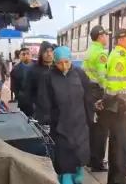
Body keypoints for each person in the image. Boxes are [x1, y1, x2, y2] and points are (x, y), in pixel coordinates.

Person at [37, 46, 93, 184]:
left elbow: (88, 96)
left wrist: (91, 116)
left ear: (71, 60)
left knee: (80, 158)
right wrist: (46, 121)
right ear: (55, 62)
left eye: (66, 62)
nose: (63, 66)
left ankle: (78, 181)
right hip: (60, 126)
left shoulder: (79, 74)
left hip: (80, 124)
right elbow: (44, 101)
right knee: (64, 163)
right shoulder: (48, 77)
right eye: (60, 63)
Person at [96, 29, 126, 184]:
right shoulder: (119, 58)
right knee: (120, 146)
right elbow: (114, 87)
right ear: (121, 41)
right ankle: (119, 179)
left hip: (119, 106)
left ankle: (118, 178)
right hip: (120, 107)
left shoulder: (121, 56)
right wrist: (113, 102)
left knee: (118, 144)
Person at [83, 25, 112, 172]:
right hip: (98, 91)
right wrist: (108, 93)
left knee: (92, 127)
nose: (106, 38)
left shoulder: (88, 51)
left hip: (89, 91)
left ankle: (89, 159)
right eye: (105, 35)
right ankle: (98, 163)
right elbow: (102, 77)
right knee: (102, 128)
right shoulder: (101, 53)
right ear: (100, 37)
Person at [24, 41, 54, 120]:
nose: (49, 54)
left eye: (51, 51)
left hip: (55, 113)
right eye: (46, 51)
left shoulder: (56, 69)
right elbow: (27, 92)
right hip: (39, 113)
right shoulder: (33, 70)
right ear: (41, 53)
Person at [10, 48, 32, 114]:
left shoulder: (37, 67)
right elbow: (13, 87)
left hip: (36, 101)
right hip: (22, 100)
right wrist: (19, 96)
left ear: (31, 55)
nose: (26, 56)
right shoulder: (15, 69)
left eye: (28, 54)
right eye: (23, 54)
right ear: (19, 56)